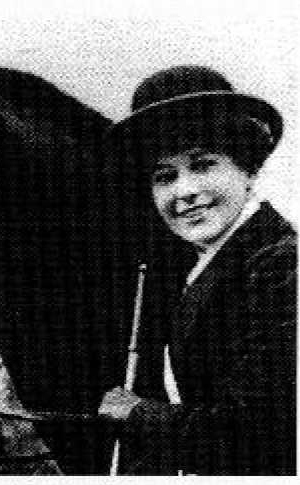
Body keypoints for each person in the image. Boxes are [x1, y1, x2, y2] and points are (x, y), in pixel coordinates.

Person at [98, 65, 296, 475]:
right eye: (165, 176)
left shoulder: (283, 267)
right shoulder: (210, 268)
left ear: (248, 169)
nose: (184, 191)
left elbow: (263, 435)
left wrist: (137, 414)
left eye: (203, 165)